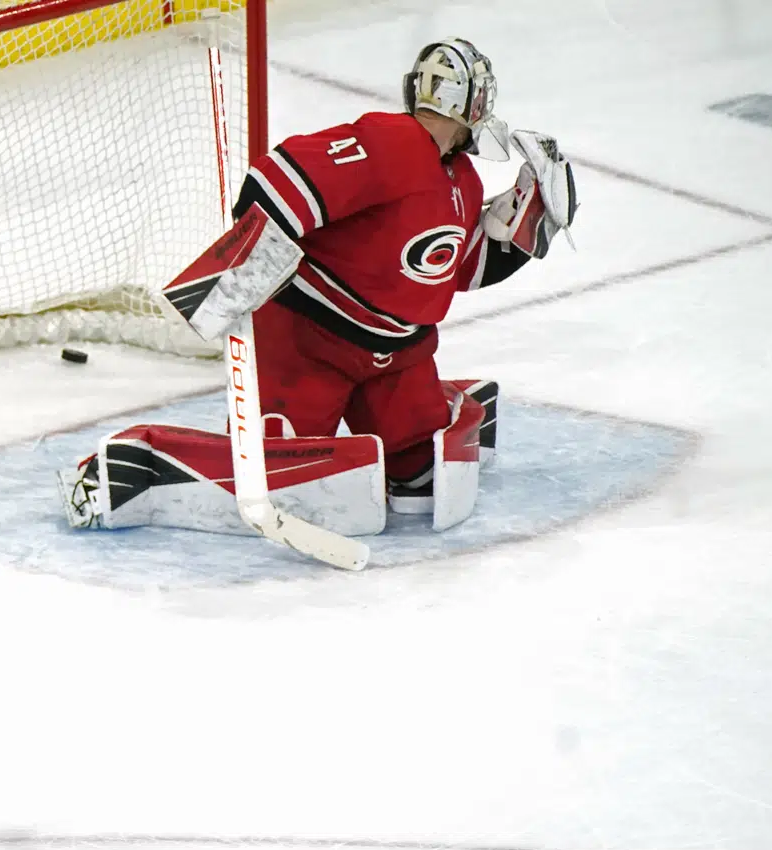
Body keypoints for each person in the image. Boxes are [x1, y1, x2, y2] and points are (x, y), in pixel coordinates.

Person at [146, 37, 577, 518]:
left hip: (396, 358)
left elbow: (452, 271)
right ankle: (154, 475)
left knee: (425, 476)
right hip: (310, 346)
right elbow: (271, 186)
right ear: (471, 102)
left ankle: (408, 433)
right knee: (283, 473)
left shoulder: (464, 179)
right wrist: (245, 267)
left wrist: (519, 235)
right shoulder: (389, 143)